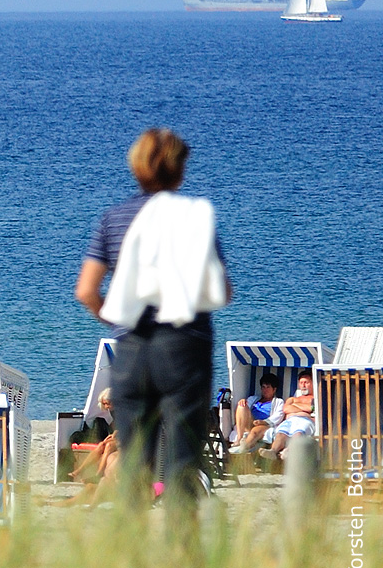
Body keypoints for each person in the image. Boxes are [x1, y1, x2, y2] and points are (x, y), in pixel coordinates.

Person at [74, 128, 232, 516]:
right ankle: (182, 566)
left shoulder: (114, 219)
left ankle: (130, 567)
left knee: (133, 467)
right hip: (184, 349)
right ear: (179, 172)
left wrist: (118, 323)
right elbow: (222, 291)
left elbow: (87, 291)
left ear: (136, 168)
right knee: (181, 465)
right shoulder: (195, 216)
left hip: (132, 350)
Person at [259, 371, 315, 461]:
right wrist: (304, 409)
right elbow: (286, 409)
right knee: (281, 433)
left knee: (298, 433)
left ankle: (288, 451)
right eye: (301, 383)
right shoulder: (292, 399)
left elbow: (311, 408)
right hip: (290, 420)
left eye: (306, 382)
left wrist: (295, 407)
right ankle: (273, 451)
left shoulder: (315, 399)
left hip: (306, 420)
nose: (303, 385)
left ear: (312, 383)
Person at [229, 373, 284, 455]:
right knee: (241, 405)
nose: (265, 390)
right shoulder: (253, 399)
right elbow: (244, 410)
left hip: (264, 424)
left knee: (255, 432)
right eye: (263, 387)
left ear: (274, 389)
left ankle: (244, 448)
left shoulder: (278, 402)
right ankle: (239, 438)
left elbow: (278, 416)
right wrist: (242, 401)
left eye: (268, 387)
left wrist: (264, 422)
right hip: (250, 422)